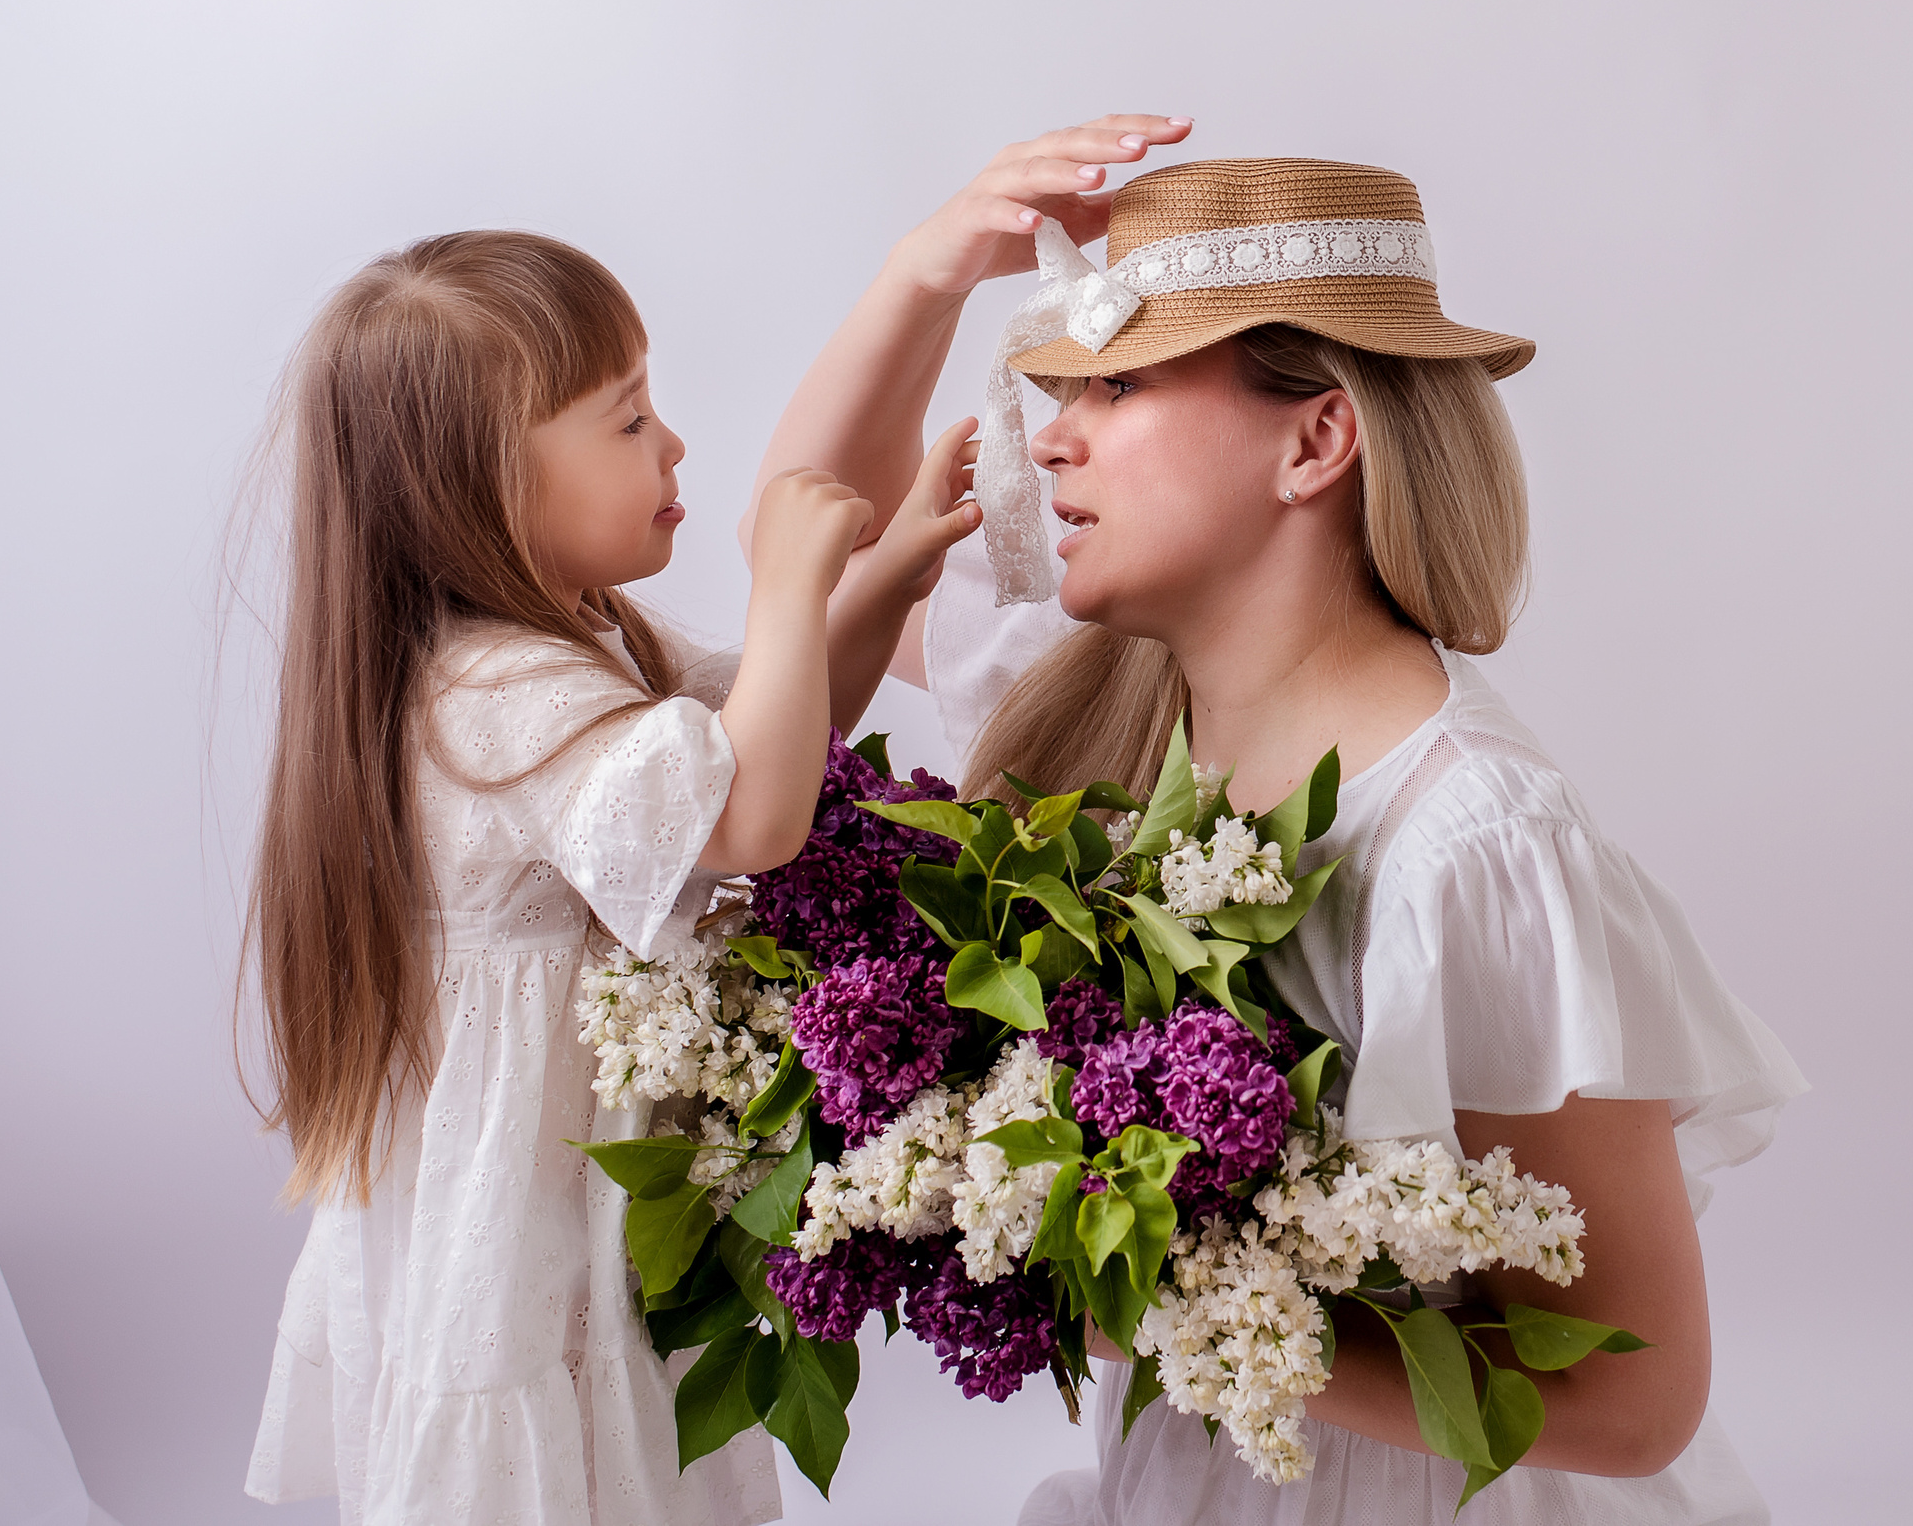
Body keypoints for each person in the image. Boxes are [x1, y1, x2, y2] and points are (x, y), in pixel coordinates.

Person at [751, 123, 1808, 1524]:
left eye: (1117, 383)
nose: (1050, 431)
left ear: (1315, 439)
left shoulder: (1473, 847)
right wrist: (921, 275)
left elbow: (1634, 1396)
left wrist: (1181, 1309)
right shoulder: (1096, 713)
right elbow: (807, 551)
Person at [239, 231, 982, 1525]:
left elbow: (759, 740)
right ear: (481, 485)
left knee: (617, 1445)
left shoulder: (577, 632)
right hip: (519, 1201)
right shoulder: (494, 691)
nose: (676, 446)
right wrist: (792, 581)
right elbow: (751, 820)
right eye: (629, 417)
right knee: (544, 1454)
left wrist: (886, 575)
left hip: (583, 1176)